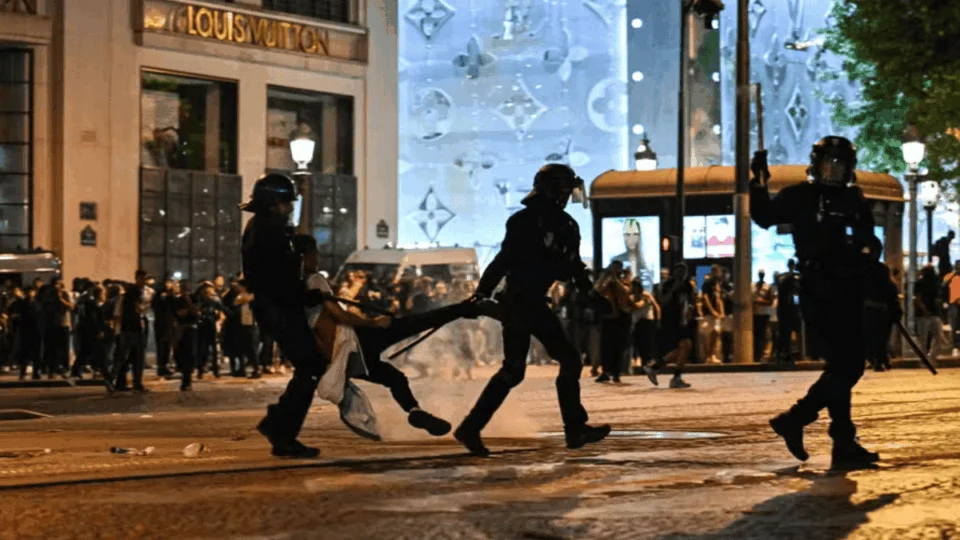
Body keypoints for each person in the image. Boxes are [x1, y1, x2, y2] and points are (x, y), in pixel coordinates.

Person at [454, 163, 611, 457]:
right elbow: (567, 268)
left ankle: (471, 427)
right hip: (526, 304)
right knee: (566, 361)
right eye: (566, 191)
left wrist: (483, 293)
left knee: (515, 371)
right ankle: (574, 428)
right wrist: (480, 293)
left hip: (520, 302)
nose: (568, 197)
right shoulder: (558, 225)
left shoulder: (528, 221)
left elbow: (507, 261)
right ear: (556, 191)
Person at [751, 136, 880, 470]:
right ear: (817, 164)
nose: (834, 170)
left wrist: (866, 255)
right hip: (820, 289)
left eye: (840, 164)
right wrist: (758, 183)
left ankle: (842, 442)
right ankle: (797, 419)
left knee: (842, 365)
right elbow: (764, 216)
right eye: (828, 163)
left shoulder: (854, 199)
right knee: (847, 365)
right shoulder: (800, 195)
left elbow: (870, 239)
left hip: (851, 289)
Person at [241, 173, 331, 458]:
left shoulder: (264, 228)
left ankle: (279, 426)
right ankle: (281, 429)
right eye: (285, 203)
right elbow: (278, 279)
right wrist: (308, 296)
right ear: (271, 204)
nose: (289, 208)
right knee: (311, 365)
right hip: (280, 309)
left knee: (310, 365)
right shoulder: (268, 233)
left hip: (276, 308)